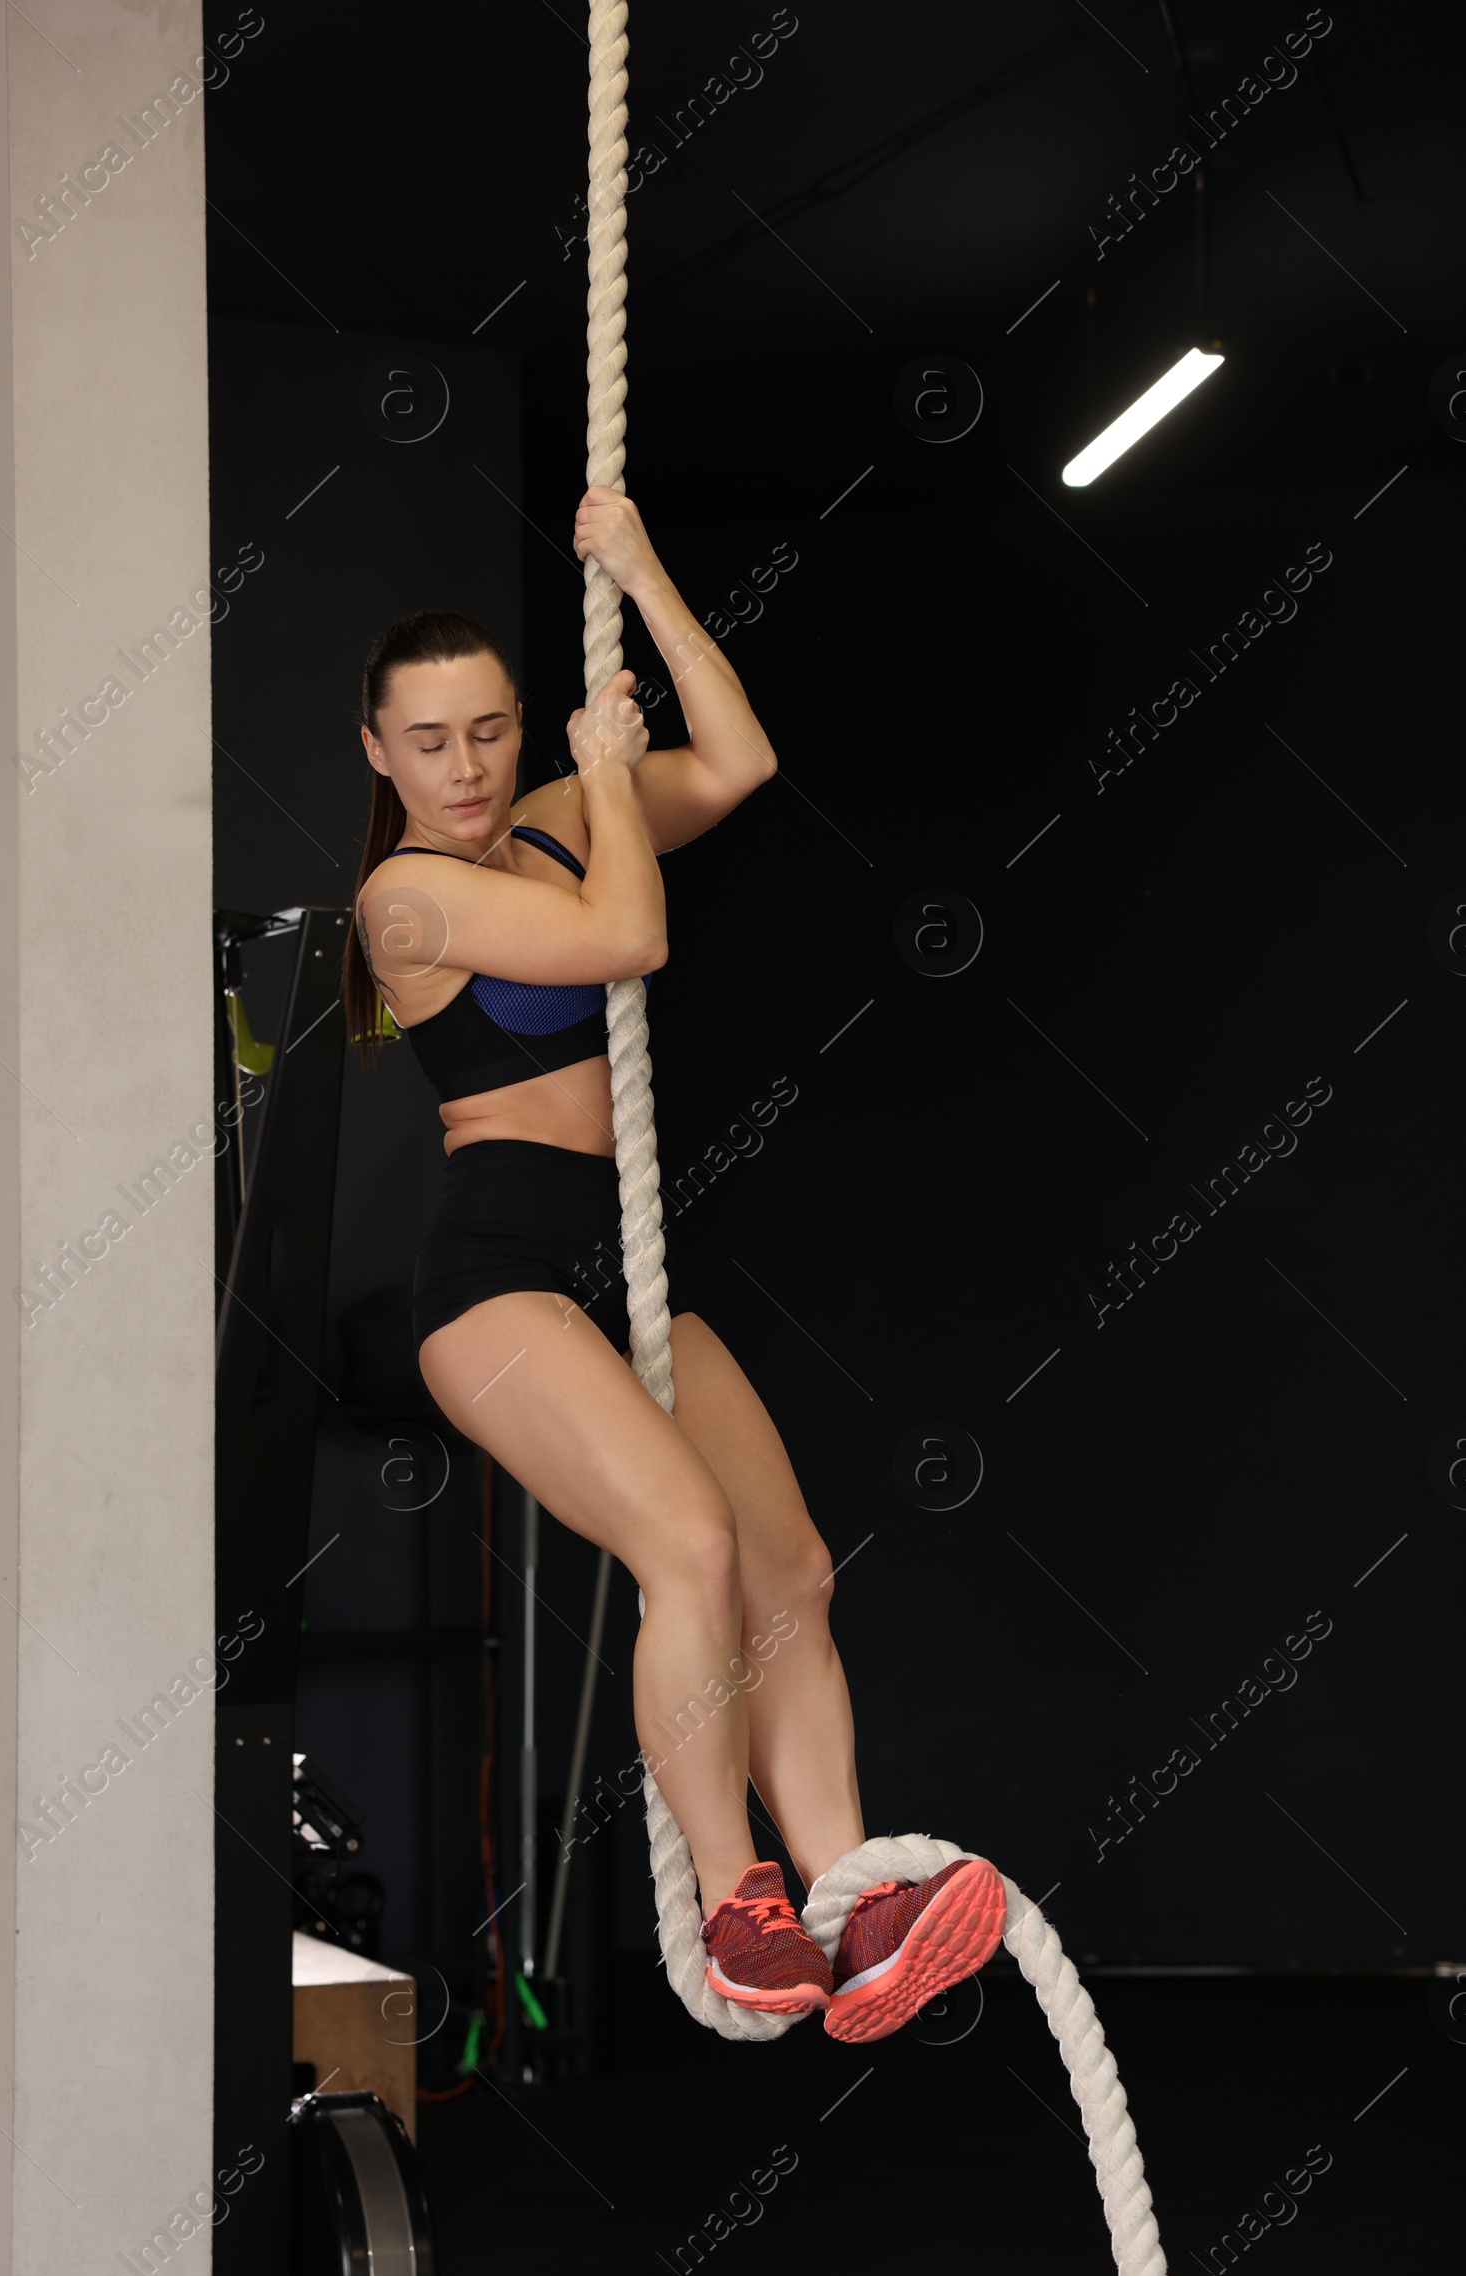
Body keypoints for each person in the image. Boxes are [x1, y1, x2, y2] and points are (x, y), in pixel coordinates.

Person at [341, 487, 1003, 2040]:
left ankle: (852, 1898)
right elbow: (632, 939)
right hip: (495, 1278)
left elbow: (743, 758)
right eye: (429, 741)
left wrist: (635, 572)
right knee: (689, 1545)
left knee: (792, 1567)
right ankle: (736, 1904)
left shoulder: (562, 814)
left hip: (619, 1260)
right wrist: (606, 784)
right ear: (379, 754)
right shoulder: (406, 897)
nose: (466, 766)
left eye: (491, 731)